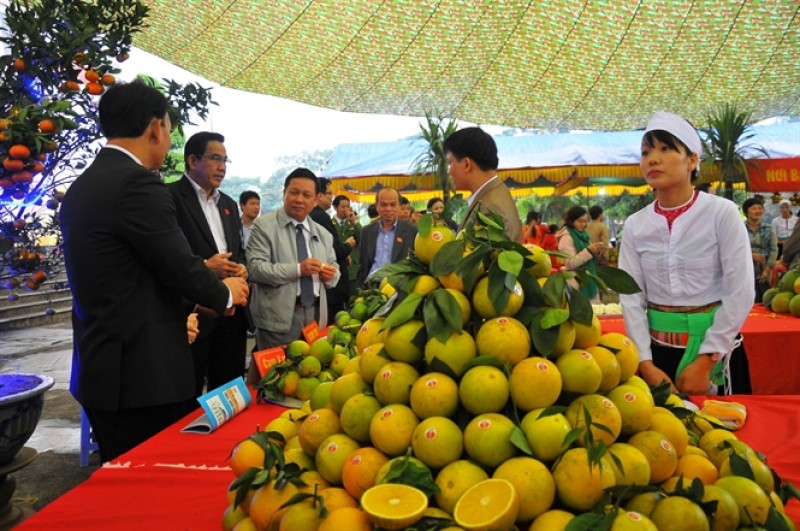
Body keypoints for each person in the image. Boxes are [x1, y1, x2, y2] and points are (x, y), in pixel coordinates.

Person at [59, 80, 249, 462]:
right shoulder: (137, 185)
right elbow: (178, 264)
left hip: (103, 370)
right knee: (149, 482)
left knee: (121, 477)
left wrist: (184, 312)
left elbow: (129, 278)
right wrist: (226, 293)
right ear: (155, 128)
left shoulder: (82, 187)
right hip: (143, 379)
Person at [618, 111, 754, 396]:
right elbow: (631, 299)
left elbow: (740, 290)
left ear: (693, 159)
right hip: (658, 356)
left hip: (716, 354)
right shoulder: (635, 225)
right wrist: (645, 363)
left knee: (721, 433)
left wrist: (707, 359)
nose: (652, 159)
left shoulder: (721, 213)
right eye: (645, 152)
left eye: (666, 149)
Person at [167, 132, 250, 398]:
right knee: (187, 395)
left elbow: (238, 251)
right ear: (192, 160)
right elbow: (167, 259)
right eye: (215, 159)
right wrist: (205, 267)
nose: (222, 167)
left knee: (229, 391)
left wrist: (241, 268)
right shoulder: (169, 198)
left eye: (225, 160)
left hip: (231, 315)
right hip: (193, 315)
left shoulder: (227, 203)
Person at [247, 168, 340, 380]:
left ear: (316, 199)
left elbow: (335, 271)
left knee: (308, 376)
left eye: (306, 195)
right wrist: (299, 269)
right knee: (276, 379)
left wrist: (330, 274)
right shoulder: (264, 226)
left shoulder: (323, 234)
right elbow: (256, 269)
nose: (299, 199)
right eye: (293, 192)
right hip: (278, 317)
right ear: (284, 193)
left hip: (315, 317)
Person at [444, 127, 521, 241]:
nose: (449, 171)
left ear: (466, 164)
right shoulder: (492, 195)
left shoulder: (490, 210)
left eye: (450, 163)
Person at [310, 178, 354, 314]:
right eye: (329, 193)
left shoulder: (313, 215)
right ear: (320, 195)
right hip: (330, 283)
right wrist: (348, 245)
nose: (331, 197)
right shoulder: (321, 217)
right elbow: (333, 249)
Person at [357, 187, 417, 287]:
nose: (388, 209)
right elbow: (363, 265)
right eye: (383, 205)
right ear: (377, 206)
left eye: (393, 205)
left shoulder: (413, 231)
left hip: (399, 288)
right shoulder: (367, 231)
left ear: (399, 206)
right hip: (371, 287)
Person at [556, 206, 603, 303]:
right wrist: (589, 251)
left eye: (586, 221)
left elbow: (589, 257)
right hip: (576, 282)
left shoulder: (584, 235)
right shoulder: (566, 238)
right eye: (580, 221)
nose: (584, 224)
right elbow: (570, 263)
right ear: (571, 220)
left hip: (590, 278)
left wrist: (596, 252)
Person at [743, 197, 778, 303]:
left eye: (760, 208)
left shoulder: (769, 228)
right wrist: (751, 255)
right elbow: (733, 248)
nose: (758, 211)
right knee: (745, 297)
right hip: (744, 266)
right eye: (754, 208)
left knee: (763, 298)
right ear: (746, 211)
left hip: (764, 267)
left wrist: (767, 270)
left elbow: (773, 249)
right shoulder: (739, 227)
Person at [332, 194, 362, 298]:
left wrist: (354, 222)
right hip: (336, 268)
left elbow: (362, 238)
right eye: (343, 207)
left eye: (348, 206)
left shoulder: (352, 224)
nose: (346, 209)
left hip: (353, 269)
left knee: (354, 298)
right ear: (335, 207)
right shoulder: (331, 224)